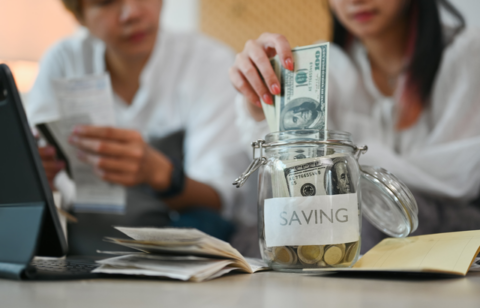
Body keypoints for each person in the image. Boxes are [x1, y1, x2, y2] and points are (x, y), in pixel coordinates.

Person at [230, 0, 480, 251]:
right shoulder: (328, 70)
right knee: (264, 230)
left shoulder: (467, 55)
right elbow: (286, 165)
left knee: (350, 219)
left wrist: (343, 160)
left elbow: (457, 178)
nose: (354, 1)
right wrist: (261, 103)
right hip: (353, 224)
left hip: (453, 227)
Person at [28, 0, 257, 255]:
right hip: (85, 238)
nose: (132, 13)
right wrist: (38, 176)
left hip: (181, 234)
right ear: (79, 15)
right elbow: (35, 167)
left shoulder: (209, 63)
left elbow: (224, 197)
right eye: (105, 2)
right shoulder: (63, 61)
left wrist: (161, 175)